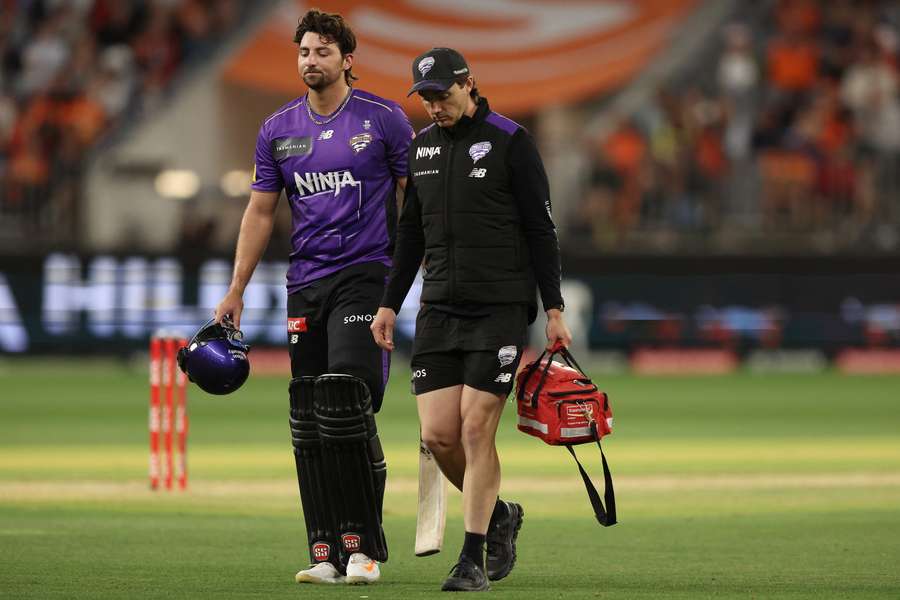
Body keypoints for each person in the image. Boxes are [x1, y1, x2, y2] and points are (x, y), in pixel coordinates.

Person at [214, 9, 413, 586]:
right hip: (305, 283)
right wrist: (235, 290)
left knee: (347, 400)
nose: (311, 60)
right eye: (304, 51)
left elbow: (413, 201)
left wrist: (408, 277)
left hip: (365, 275)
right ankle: (326, 549)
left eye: (323, 51)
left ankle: (365, 549)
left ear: (347, 59)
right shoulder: (278, 129)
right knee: (309, 417)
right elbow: (259, 211)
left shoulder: (383, 120)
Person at [370, 47, 572, 592]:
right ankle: (500, 513)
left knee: (475, 428)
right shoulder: (422, 149)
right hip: (439, 308)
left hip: (501, 307)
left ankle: (472, 557)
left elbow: (540, 230)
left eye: (442, 94)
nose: (434, 105)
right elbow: (410, 233)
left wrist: (553, 308)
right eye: (426, 97)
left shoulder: (512, 141)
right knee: (438, 436)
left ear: (469, 84)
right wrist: (391, 302)